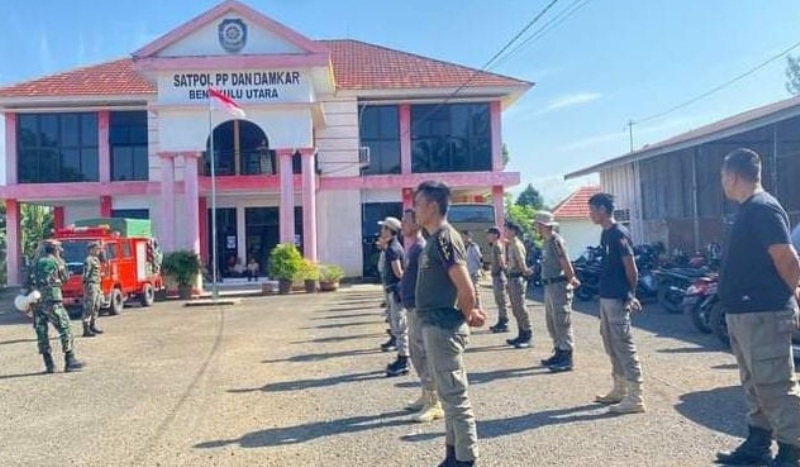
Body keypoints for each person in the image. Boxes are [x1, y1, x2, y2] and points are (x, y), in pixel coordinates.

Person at [714, 148, 800, 467]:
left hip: (764, 314)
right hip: (745, 315)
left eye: (723, 177)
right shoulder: (748, 210)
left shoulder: (764, 209)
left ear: (733, 176)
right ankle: (758, 443)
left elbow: (787, 258)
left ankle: (792, 452)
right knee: (755, 384)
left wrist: (797, 294)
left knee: (775, 384)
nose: (722, 183)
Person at [414, 181, 485, 466]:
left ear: (432, 205)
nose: (415, 209)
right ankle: (453, 454)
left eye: (418, 203)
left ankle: (466, 459)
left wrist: (471, 311)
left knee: (454, 396)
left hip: (444, 327)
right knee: (448, 394)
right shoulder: (435, 238)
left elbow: (464, 285)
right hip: (435, 325)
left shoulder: (444, 237)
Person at [588, 192, 645, 414]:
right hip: (606, 296)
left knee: (624, 345)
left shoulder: (618, 234)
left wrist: (631, 294)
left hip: (617, 298)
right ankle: (620, 389)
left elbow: (631, 268)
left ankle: (635, 396)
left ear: (602, 210)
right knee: (610, 344)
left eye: (592, 209)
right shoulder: (606, 234)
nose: (590, 214)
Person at [400, 208, 444, 423]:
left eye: (406, 221)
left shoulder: (420, 248)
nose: (402, 225)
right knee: (417, 353)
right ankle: (426, 394)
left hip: (419, 308)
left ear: (416, 224)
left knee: (422, 354)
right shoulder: (414, 248)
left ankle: (434, 402)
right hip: (411, 306)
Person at [533, 211, 580, 372]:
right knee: (551, 321)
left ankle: (566, 356)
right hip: (549, 285)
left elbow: (564, 260)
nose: (535, 227)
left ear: (544, 225)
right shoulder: (545, 241)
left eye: (537, 224)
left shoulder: (555, 240)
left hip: (559, 285)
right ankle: (559, 351)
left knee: (562, 320)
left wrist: (571, 277)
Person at [34, 239, 85, 373]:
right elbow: (65, 278)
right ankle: (70, 361)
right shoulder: (57, 262)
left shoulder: (35, 263)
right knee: (65, 328)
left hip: (37, 302)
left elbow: (28, 282)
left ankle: (49, 364)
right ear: (55, 250)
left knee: (41, 332)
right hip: (53, 299)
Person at [379, 216, 409, 377]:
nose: (381, 231)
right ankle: (402, 357)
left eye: (384, 228)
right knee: (398, 325)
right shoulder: (392, 247)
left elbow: (398, 272)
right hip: (395, 291)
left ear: (390, 231)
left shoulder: (393, 249)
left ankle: (403, 359)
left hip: (396, 292)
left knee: (400, 326)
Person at [503, 221, 533, 349]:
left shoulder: (517, 245)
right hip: (511, 279)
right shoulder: (511, 244)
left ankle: (527, 334)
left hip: (517, 279)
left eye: (507, 230)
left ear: (513, 231)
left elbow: (521, 262)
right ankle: (521, 333)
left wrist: (526, 271)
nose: (505, 232)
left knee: (520, 308)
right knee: (515, 309)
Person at [486, 227, 510, 333]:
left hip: (499, 275)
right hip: (495, 276)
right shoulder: (494, 246)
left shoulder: (497, 246)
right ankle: (501, 320)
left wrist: (505, 271)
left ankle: (504, 322)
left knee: (501, 300)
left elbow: (501, 261)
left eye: (489, 234)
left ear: (495, 235)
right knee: (498, 300)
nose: (488, 237)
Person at [81, 242, 104, 338]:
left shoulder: (96, 260)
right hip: (91, 285)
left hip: (97, 285)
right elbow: (85, 275)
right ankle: (86, 329)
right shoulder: (89, 260)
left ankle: (92, 325)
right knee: (89, 307)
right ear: (91, 249)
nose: (98, 250)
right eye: (96, 249)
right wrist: (87, 286)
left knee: (96, 306)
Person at [463, 231, 484, 310]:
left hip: (473, 271)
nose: (464, 238)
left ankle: (478, 308)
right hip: (466, 272)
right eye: (462, 236)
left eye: (465, 236)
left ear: (469, 237)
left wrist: (481, 268)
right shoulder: (463, 246)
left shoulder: (473, 246)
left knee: (475, 290)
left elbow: (479, 257)